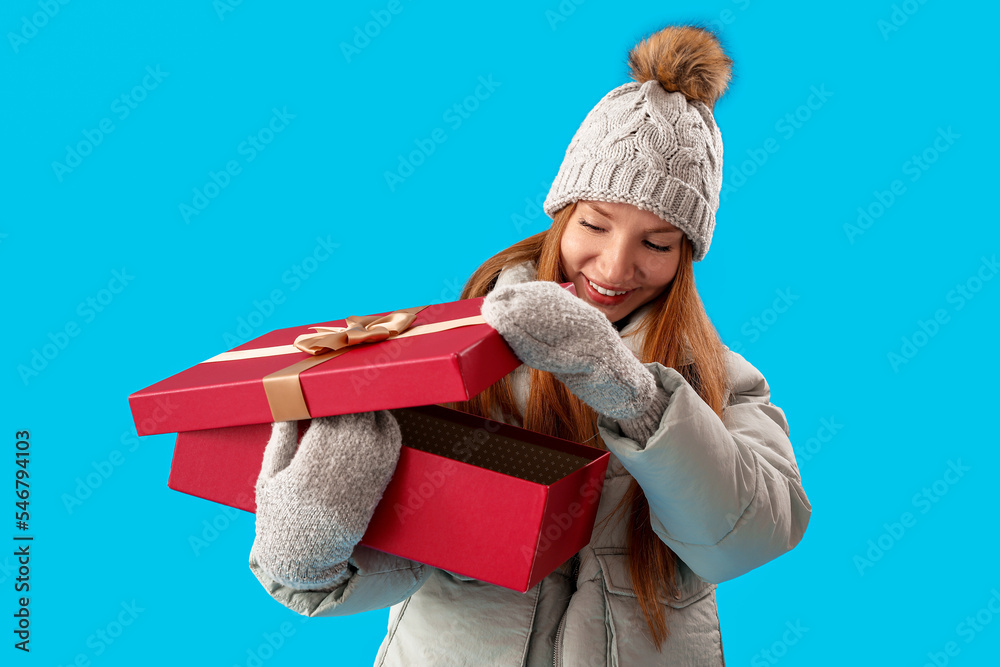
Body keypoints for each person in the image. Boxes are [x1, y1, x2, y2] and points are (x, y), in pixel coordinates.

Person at [249, 24, 811, 666]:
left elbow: (750, 537)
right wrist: (311, 556)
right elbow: (408, 560)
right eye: (594, 225)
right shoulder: (454, 356)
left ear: (686, 257)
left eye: (656, 244)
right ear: (560, 217)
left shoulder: (722, 381)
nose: (614, 266)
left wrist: (630, 392)